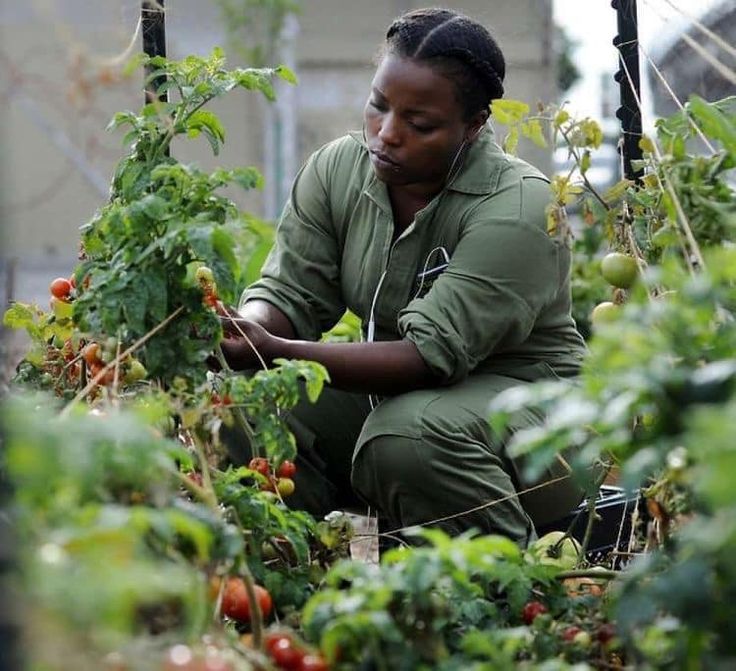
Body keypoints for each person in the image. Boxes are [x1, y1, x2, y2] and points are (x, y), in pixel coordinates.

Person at [219, 7, 587, 547]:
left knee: (408, 438)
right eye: (378, 106)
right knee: (250, 405)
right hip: (402, 401)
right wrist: (243, 326)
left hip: (534, 425)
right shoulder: (337, 170)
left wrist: (274, 350)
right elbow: (290, 291)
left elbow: (425, 356)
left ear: (474, 125)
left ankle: (501, 586)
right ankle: (327, 562)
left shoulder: (519, 208)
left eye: (420, 125)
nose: (387, 134)